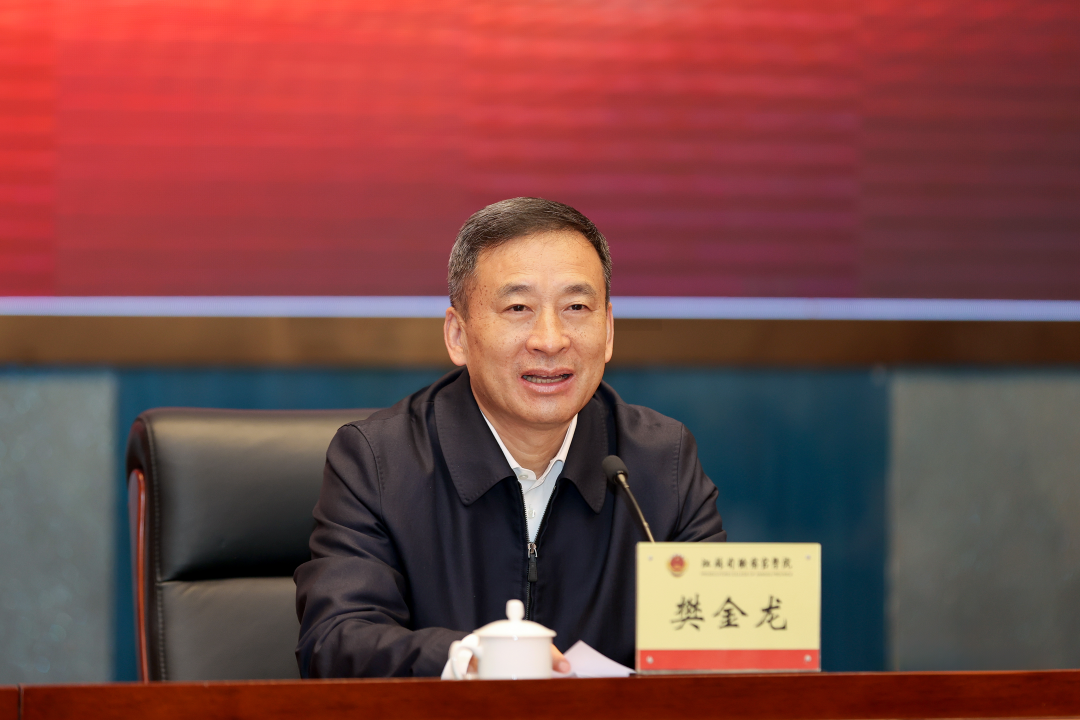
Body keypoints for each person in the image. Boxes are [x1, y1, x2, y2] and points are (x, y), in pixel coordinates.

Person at [294, 197, 726, 678]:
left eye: (576, 307)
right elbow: (335, 641)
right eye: (518, 307)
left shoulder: (660, 462)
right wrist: (469, 662)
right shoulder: (379, 462)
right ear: (458, 335)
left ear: (607, 331)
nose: (550, 339)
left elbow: (720, 643)